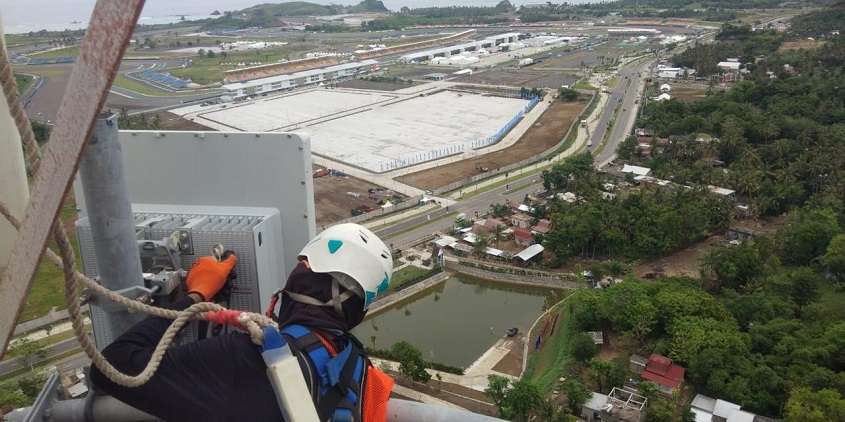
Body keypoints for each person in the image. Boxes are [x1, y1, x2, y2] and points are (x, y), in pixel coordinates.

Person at [91, 223, 395, 422]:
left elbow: (112, 368)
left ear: (302, 278)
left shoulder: (251, 356)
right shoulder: (356, 365)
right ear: (357, 312)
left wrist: (195, 297)